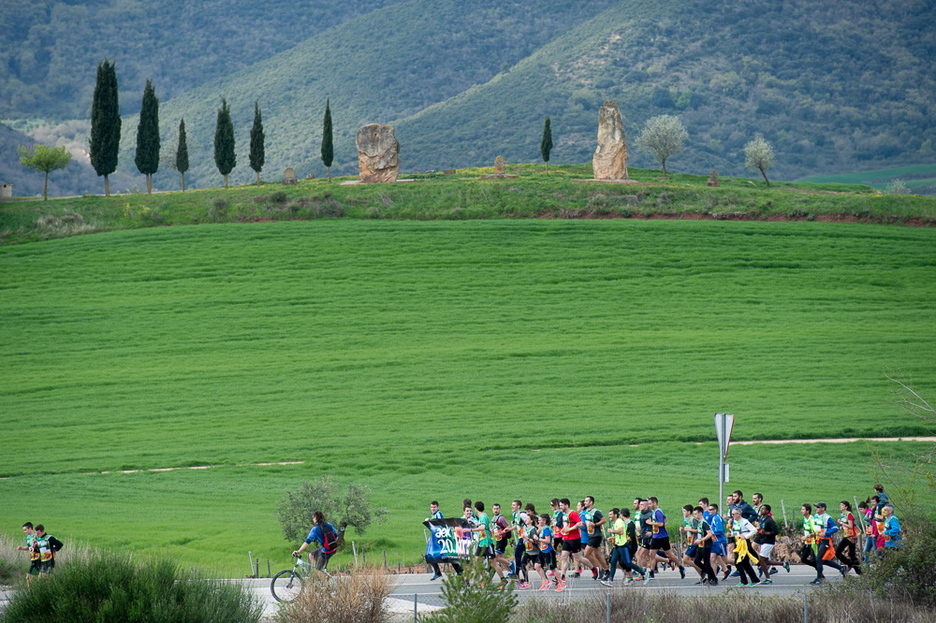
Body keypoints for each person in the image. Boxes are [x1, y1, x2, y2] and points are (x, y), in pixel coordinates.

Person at [646, 496, 687, 579]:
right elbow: (665, 519)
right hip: (655, 536)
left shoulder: (658, 512)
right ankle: (652, 572)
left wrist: (651, 523)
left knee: (669, 554)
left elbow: (660, 524)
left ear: (654, 503)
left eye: (650, 504)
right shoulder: (654, 512)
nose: (649, 505)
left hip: (662, 537)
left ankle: (681, 567)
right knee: (651, 554)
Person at [808, 502, 843, 585]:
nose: (816, 508)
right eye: (816, 507)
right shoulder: (816, 517)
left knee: (818, 559)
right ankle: (841, 569)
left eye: (818, 507)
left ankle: (819, 578)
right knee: (822, 559)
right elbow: (816, 528)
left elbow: (835, 528)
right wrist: (813, 534)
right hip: (818, 540)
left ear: (823, 508)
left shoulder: (827, 518)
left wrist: (826, 533)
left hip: (825, 540)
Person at [753, 504, 789, 583]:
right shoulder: (762, 519)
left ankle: (768, 578)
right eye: (761, 509)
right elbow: (761, 529)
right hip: (763, 540)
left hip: (768, 542)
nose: (761, 510)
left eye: (763, 509)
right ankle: (783, 564)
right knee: (765, 560)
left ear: (767, 511)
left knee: (761, 559)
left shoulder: (770, 520)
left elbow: (775, 531)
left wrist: (766, 533)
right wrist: (759, 533)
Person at [727, 509, 758, 587]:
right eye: (732, 514)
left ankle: (745, 580)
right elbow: (737, 532)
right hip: (738, 543)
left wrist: (746, 536)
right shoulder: (735, 522)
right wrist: (731, 534)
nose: (733, 516)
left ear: (739, 514)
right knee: (744, 563)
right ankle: (753, 579)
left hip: (744, 543)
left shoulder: (744, 521)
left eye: (734, 514)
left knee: (738, 562)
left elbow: (754, 530)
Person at [582, 496, 609, 580]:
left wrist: (596, 524)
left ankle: (598, 568)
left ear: (591, 502)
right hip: (590, 535)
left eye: (587, 501)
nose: (585, 502)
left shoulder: (596, 512)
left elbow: (604, 520)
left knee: (586, 553)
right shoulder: (586, 512)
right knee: (598, 555)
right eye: (585, 501)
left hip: (596, 535)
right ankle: (606, 570)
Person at [835, 500, 862, 575]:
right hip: (846, 535)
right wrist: (842, 527)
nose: (840, 506)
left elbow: (850, 525)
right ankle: (851, 564)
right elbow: (846, 525)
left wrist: (842, 523)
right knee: (838, 552)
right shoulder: (842, 514)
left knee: (852, 554)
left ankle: (859, 570)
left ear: (846, 507)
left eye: (842, 505)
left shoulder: (849, 514)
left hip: (851, 536)